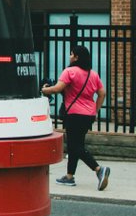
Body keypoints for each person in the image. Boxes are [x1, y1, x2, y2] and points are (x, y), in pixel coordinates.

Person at [42, 44, 108, 190]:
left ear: (77, 57)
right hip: (88, 115)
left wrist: (44, 89)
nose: (70, 56)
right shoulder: (93, 74)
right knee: (76, 145)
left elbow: (58, 88)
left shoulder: (69, 71)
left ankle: (98, 169)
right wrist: (95, 110)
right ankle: (69, 176)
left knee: (75, 146)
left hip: (74, 114)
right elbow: (102, 93)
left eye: (72, 54)